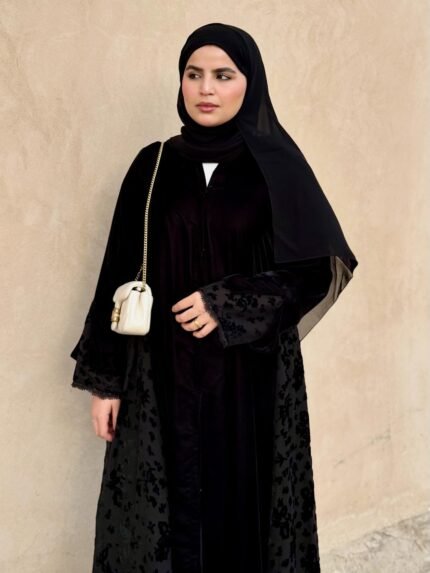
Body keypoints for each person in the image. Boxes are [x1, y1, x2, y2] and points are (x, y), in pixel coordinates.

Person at [70, 23, 357, 573]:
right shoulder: (152, 165)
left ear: (250, 83)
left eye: (223, 76)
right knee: (166, 522)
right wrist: (105, 383)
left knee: (242, 518)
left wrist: (228, 302)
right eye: (194, 74)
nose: (206, 89)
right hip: (159, 375)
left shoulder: (276, 170)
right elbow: (116, 273)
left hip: (249, 381)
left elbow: (313, 273)